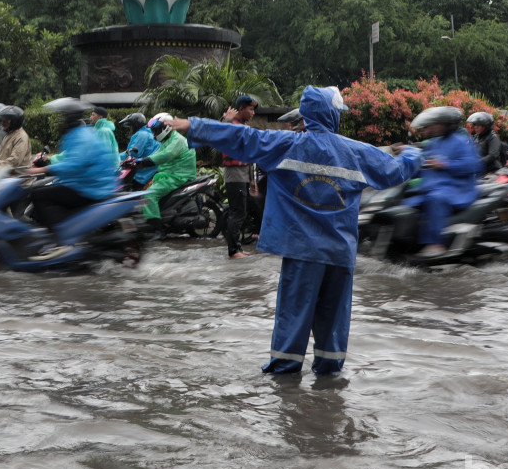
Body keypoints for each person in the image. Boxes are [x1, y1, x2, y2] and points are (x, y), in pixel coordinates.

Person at [173, 86, 422, 375]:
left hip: (302, 251)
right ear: (332, 115)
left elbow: (241, 138)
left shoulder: (285, 145)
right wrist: (413, 153)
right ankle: (328, 388)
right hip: (340, 254)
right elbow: (396, 172)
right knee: (333, 328)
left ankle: (285, 389)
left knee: (292, 323)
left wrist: (193, 125)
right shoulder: (357, 152)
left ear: (305, 116)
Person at [23, 98, 120, 259]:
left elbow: (75, 164)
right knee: (46, 189)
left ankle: (62, 241)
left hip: (90, 187)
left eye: (62, 117)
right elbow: (70, 159)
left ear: (69, 118)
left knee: (38, 193)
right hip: (90, 183)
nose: (60, 121)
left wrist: (43, 169)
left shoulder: (80, 135)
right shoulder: (83, 132)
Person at [406, 106, 483, 257]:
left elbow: (473, 165)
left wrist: (445, 165)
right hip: (433, 186)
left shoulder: (462, 142)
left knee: (436, 198)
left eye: (435, 124)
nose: (431, 128)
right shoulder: (433, 143)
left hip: (456, 189)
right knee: (408, 202)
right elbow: (421, 160)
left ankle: (436, 244)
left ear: (447, 125)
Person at [136, 113, 197, 237]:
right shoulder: (169, 140)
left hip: (178, 176)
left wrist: (144, 161)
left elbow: (165, 155)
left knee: (149, 196)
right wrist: (137, 161)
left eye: (157, 130)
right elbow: (157, 154)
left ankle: (158, 230)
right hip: (169, 175)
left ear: (166, 128)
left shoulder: (177, 140)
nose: (155, 133)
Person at [220, 95, 260, 259]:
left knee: (247, 211)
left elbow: (249, 156)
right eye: (250, 109)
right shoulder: (231, 125)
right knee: (238, 213)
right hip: (235, 174)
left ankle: (238, 248)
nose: (252, 113)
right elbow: (220, 134)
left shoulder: (243, 126)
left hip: (244, 174)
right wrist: (226, 121)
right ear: (241, 109)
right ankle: (233, 251)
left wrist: (252, 180)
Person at [0, 105, 31, 171]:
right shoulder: (8, 135)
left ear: (14, 122)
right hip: (4, 174)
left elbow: (15, 159)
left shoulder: (21, 137)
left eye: (6, 121)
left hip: (17, 176)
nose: (3, 123)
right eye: (3, 120)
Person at [120, 112, 158, 187]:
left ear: (135, 125)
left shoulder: (141, 135)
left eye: (130, 126)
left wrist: (113, 158)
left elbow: (131, 154)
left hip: (140, 175)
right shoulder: (150, 134)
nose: (130, 129)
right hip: (150, 172)